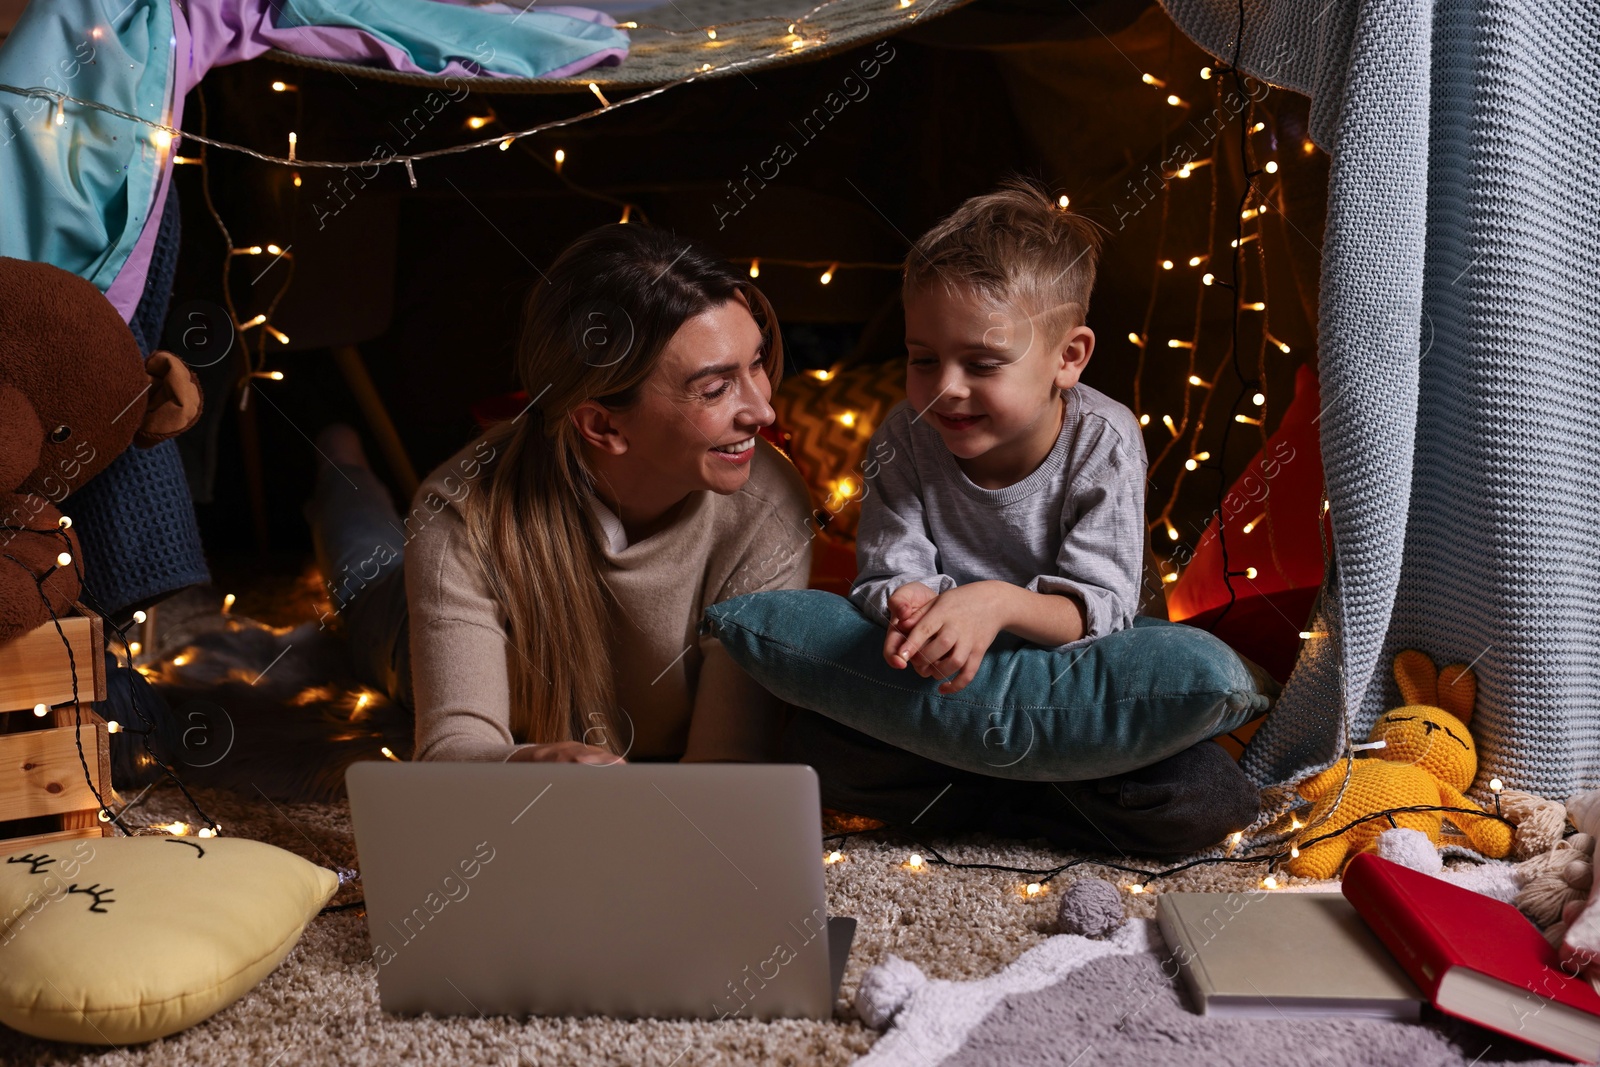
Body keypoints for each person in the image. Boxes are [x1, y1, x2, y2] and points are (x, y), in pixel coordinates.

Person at [779, 179, 1259, 855]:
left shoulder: (1105, 439)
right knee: (810, 746)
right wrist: (910, 604)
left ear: (1068, 357)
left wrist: (996, 605)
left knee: (1205, 796)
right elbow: (889, 570)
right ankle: (1026, 800)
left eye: (982, 363)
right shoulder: (903, 433)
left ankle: (987, 800)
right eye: (923, 359)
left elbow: (1100, 606)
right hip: (951, 690)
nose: (946, 387)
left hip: (1075, 687)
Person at [305, 223, 815, 764]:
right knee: (361, 569)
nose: (764, 410)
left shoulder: (771, 505)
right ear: (602, 426)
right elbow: (453, 749)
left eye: (756, 362)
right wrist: (524, 766)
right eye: (715, 388)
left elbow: (727, 766)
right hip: (403, 638)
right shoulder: (459, 511)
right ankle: (341, 465)